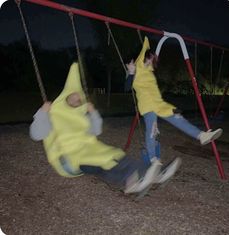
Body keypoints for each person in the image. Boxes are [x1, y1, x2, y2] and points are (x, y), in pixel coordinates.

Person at [30, 62, 181, 195]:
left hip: (87, 152)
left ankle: (139, 178)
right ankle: (146, 174)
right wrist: (42, 112)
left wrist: (93, 112)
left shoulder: (80, 115)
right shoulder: (54, 114)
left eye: (79, 98)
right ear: (64, 97)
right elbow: (36, 134)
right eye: (73, 97)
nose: (76, 100)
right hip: (66, 159)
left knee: (110, 158)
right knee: (105, 159)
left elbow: (96, 131)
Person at [125, 37, 223, 163]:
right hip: (148, 107)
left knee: (179, 118)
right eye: (148, 58)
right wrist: (131, 73)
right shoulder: (136, 71)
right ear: (141, 58)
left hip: (160, 105)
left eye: (151, 59)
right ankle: (153, 158)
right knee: (152, 131)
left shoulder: (149, 72)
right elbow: (126, 87)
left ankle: (202, 136)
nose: (150, 61)